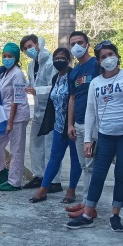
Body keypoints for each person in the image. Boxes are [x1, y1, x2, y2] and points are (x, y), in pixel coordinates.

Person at [66, 41, 123, 231]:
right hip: (105, 135)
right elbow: (91, 111)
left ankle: (116, 214)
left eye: (111, 54)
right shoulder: (96, 83)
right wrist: (88, 140)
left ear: (117, 55)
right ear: (99, 61)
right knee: (98, 174)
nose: (108, 59)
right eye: (103, 57)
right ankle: (88, 213)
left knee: (121, 175)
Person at [29, 48, 81, 203]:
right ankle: (43, 189)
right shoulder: (55, 79)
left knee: (75, 158)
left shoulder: (74, 76)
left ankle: (71, 190)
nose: (59, 60)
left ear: (69, 59)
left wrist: (71, 123)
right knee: (54, 157)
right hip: (59, 126)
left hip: (72, 126)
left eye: (62, 58)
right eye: (56, 58)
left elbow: (75, 100)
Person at [20, 34, 61, 192]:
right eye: (25, 49)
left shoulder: (50, 63)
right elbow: (30, 83)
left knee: (50, 146)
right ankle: (39, 176)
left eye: (30, 46)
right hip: (37, 110)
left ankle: (54, 181)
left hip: (51, 110)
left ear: (37, 44)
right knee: (35, 144)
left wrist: (36, 90)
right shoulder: (31, 65)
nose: (28, 50)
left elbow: (55, 86)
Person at [0, 42, 30, 191]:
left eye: (9, 56)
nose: (6, 58)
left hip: (16, 117)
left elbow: (16, 99)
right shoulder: (5, 72)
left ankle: (14, 181)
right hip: (5, 117)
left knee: (16, 149)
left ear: (16, 58)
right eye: (4, 56)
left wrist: (10, 122)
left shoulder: (17, 74)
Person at [65, 31, 100, 205]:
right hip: (78, 124)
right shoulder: (74, 72)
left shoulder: (96, 65)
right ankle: (87, 202)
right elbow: (72, 98)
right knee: (85, 165)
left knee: (91, 165)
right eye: (73, 44)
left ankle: (89, 204)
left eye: (80, 42)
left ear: (88, 44)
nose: (76, 46)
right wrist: (70, 124)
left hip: (93, 124)